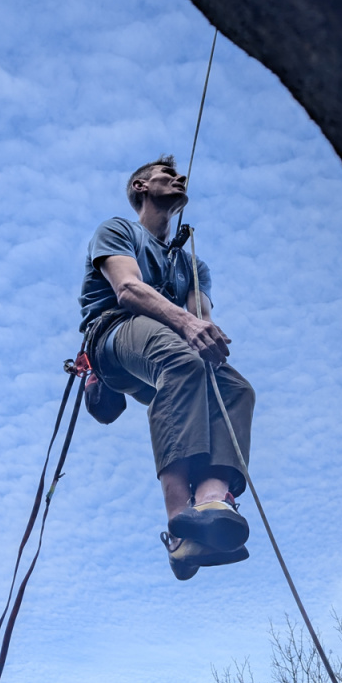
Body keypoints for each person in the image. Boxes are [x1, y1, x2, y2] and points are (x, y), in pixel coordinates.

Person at [79, 155, 255, 581]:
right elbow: (127, 289)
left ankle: (212, 502)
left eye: (179, 175)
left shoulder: (194, 265)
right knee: (181, 360)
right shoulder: (118, 230)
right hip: (113, 336)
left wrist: (201, 327)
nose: (179, 179)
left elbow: (201, 316)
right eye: (166, 176)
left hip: (168, 343)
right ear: (141, 186)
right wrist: (187, 324)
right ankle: (180, 519)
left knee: (235, 390)